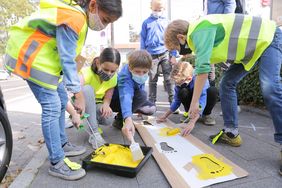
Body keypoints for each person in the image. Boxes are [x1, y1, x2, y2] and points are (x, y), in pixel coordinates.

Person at [4, 0, 122, 180]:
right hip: (33, 60)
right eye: (105, 19)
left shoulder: (78, 17)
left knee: (59, 101)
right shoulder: (75, 18)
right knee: (52, 107)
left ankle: (62, 143)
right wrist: (78, 94)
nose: (104, 25)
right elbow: (67, 58)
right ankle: (57, 162)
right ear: (92, 6)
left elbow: (68, 57)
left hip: (46, 64)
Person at [164, 14, 281, 173]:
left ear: (180, 37)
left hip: (269, 37)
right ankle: (231, 133)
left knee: (270, 87)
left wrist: (194, 104)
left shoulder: (198, 32)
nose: (180, 52)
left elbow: (202, 70)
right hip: (253, 49)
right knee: (226, 83)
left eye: (177, 48)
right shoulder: (200, 33)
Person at [67, 48, 121, 149]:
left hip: (95, 104)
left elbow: (109, 94)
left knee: (108, 118)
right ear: (97, 63)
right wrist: (74, 113)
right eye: (105, 69)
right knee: (87, 89)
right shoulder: (86, 73)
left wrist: (106, 105)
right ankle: (94, 133)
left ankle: (91, 122)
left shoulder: (114, 77)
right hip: (81, 103)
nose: (109, 74)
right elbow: (73, 92)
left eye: (113, 71)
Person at [157, 61, 218, 134]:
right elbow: (176, 101)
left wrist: (192, 122)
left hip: (203, 100)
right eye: (176, 83)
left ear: (189, 79)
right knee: (182, 92)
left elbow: (202, 100)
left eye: (179, 83)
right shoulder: (180, 82)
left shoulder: (200, 79)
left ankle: (206, 114)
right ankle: (189, 113)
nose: (177, 85)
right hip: (191, 100)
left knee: (213, 91)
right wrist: (165, 116)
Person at [111, 50, 156, 142]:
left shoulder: (141, 74)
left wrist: (138, 103)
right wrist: (127, 119)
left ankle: (128, 112)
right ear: (130, 68)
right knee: (143, 95)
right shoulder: (125, 77)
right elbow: (126, 96)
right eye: (138, 71)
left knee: (151, 108)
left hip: (130, 99)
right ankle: (120, 119)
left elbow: (140, 87)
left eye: (144, 72)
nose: (141, 74)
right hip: (116, 101)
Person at [140, 0, 177, 111]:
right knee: (152, 79)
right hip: (151, 55)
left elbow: (172, 39)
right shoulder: (146, 22)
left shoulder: (167, 22)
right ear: (151, 8)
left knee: (169, 79)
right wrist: (143, 54)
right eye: (155, 10)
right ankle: (152, 103)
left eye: (159, 10)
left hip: (165, 52)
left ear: (163, 9)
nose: (157, 12)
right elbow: (143, 39)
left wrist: (173, 54)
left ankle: (173, 103)